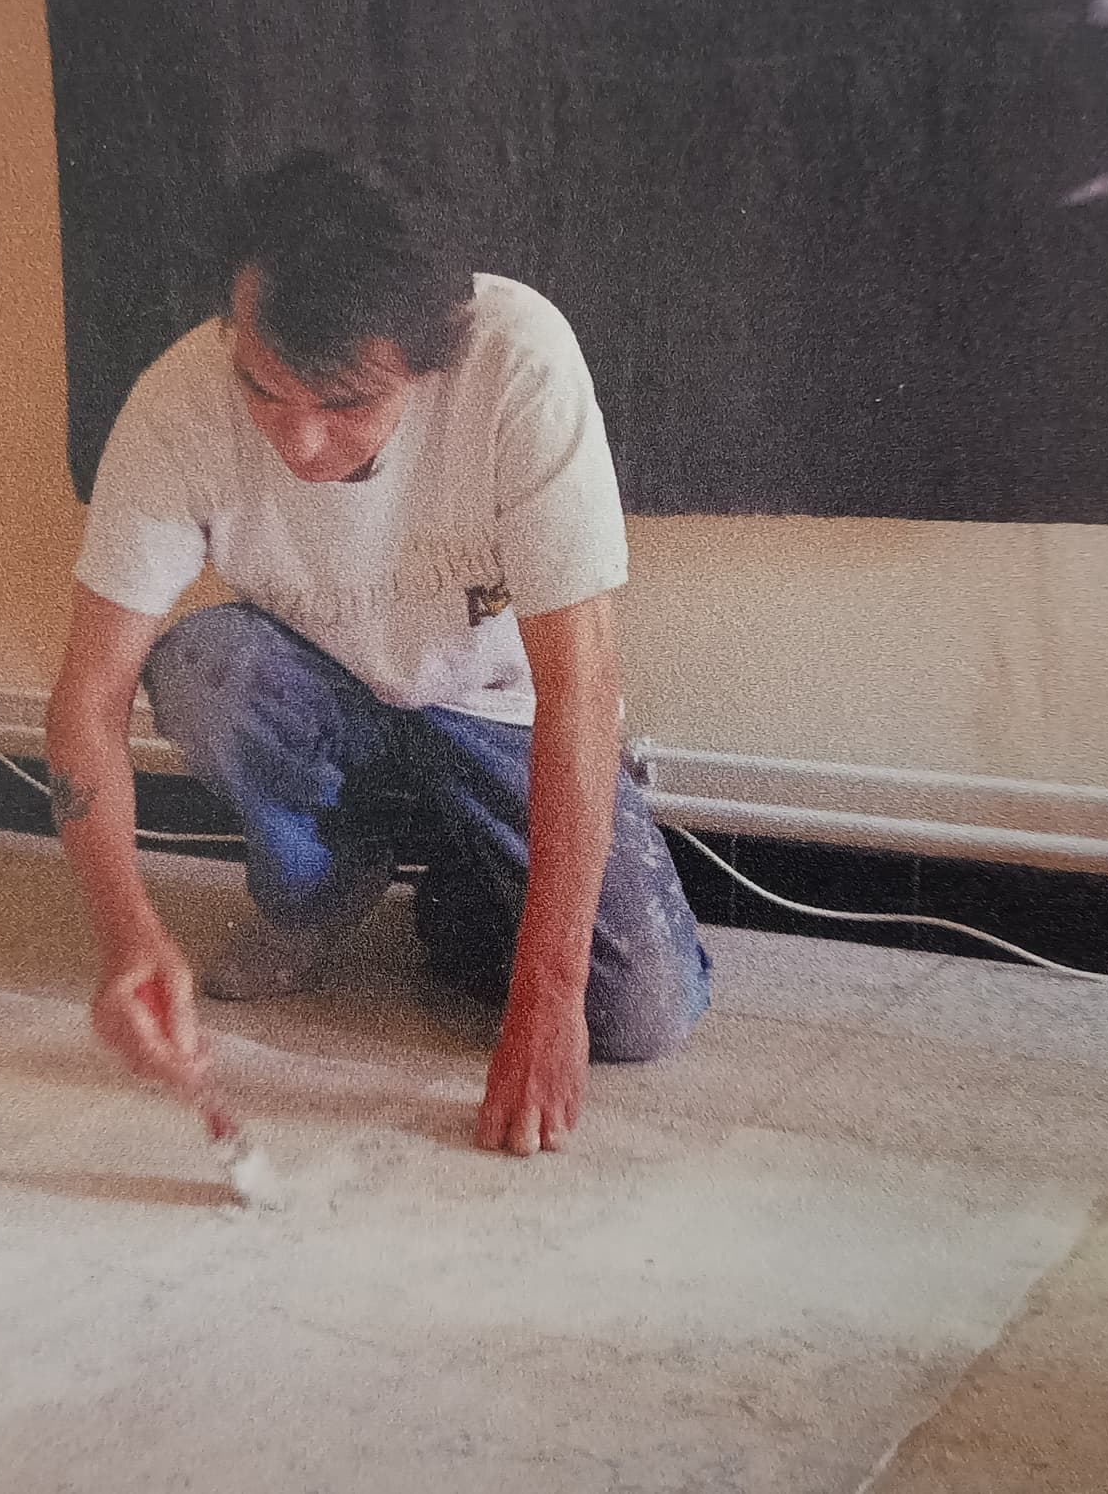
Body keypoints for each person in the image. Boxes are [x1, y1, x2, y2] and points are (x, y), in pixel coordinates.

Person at [45, 150, 712, 1157]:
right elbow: (88, 699)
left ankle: (456, 886)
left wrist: (547, 997)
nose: (300, 443)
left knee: (642, 1014)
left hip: (499, 715)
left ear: (429, 360)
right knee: (203, 666)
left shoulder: (519, 362)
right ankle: (330, 881)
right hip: (331, 697)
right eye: (265, 390)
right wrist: (124, 935)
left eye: (346, 403)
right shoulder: (176, 402)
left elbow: (580, 688)